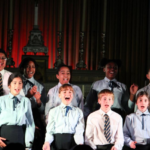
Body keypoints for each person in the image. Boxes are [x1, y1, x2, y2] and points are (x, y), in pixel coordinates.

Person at [43, 84, 84, 150]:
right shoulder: (53, 111)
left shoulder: (78, 112)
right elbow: (50, 131)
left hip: (72, 142)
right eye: (64, 92)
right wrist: (47, 142)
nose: (67, 94)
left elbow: (79, 130)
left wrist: (80, 144)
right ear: (59, 95)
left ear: (72, 95)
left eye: (70, 92)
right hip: (57, 142)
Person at [0, 72, 35, 149]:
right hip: (3, 139)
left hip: (19, 137)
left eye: (20, 83)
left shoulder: (26, 101)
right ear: (9, 85)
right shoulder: (1, 100)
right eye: (14, 83)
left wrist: (28, 146)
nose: (17, 86)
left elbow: (30, 124)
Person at [19, 57, 47, 150]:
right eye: (27, 67)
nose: (30, 69)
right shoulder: (17, 83)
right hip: (20, 117)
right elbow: (17, 105)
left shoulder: (40, 86)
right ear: (22, 68)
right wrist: (28, 96)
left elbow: (43, 110)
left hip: (35, 117)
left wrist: (38, 100)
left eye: (33, 67)